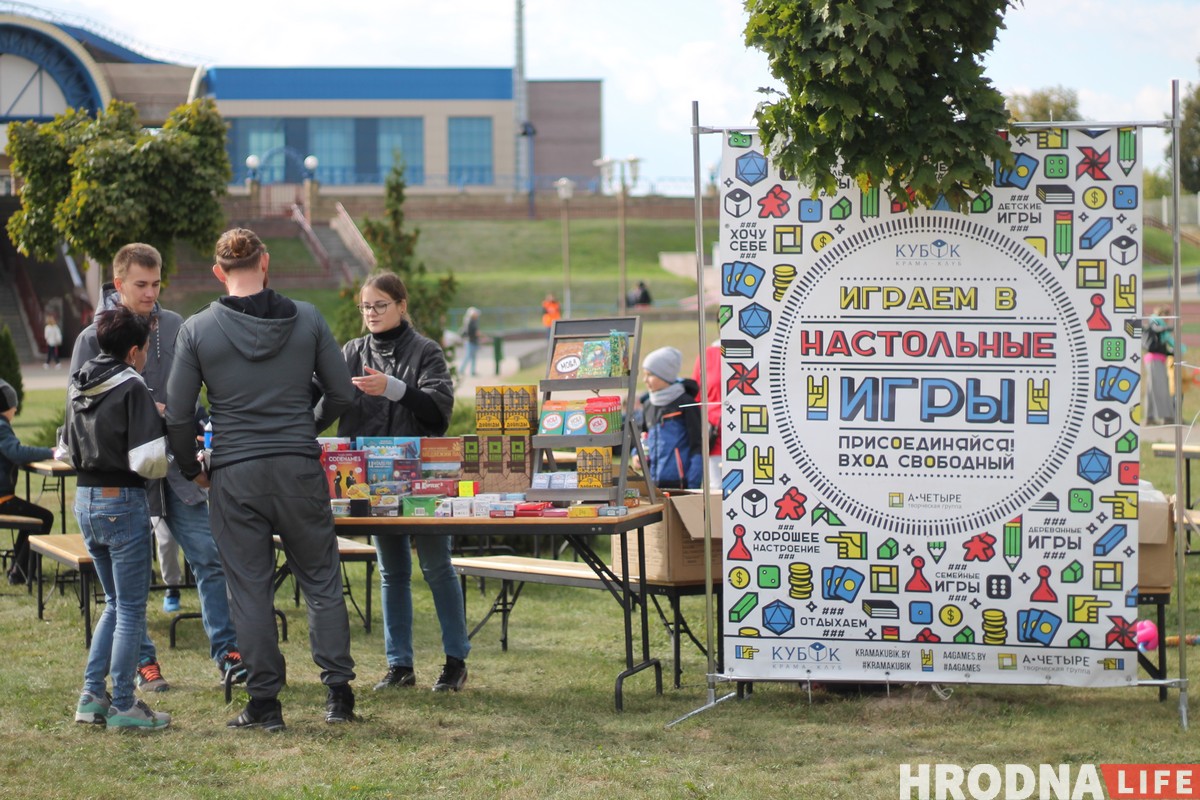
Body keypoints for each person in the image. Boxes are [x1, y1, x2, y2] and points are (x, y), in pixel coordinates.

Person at [166, 227, 357, 731]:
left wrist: (192, 469)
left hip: (235, 474)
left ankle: (266, 704)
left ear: (218, 272)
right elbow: (341, 393)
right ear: (265, 261)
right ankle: (339, 695)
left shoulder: (197, 329)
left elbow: (179, 416)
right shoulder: (308, 318)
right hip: (298, 468)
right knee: (321, 581)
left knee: (249, 590)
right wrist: (305, 427)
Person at [70, 242, 244, 693]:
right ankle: (144, 662)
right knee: (129, 584)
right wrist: (149, 409)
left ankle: (228, 653)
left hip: (178, 466)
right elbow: (79, 404)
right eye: (141, 285)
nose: (150, 293)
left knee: (208, 556)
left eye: (156, 283)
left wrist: (201, 424)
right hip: (124, 476)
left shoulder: (175, 325)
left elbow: (193, 394)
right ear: (119, 283)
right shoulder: (92, 337)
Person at [337, 273, 469, 693]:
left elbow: (437, 413)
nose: (371, 313)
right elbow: (325, 400)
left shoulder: (426, 351)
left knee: (436, 567)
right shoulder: (352, 352)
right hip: (372, 483)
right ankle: (399, 666)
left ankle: (455, 662)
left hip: (424, 480)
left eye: (380, 305)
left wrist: (393, 388)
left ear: (401, 306)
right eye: (366, 306)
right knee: (392, 572)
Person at [63, 305, 171, 730]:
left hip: (85, 498)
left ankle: (92, 696)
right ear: (132, 352)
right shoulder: (132, 385)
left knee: (113, 602)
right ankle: (124, 703)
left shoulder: (78, 382)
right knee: (129, 609)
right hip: (122, 500)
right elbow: (149, 461)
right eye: (144, 350)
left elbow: (65, 448)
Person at [0, 379, 54, 585]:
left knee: (31, 518)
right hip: (2, 499)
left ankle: (18, 567)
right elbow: (18, 453)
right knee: (45, 517)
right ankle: (21, 572)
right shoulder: (1, 427)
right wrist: (51, 452)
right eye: (14, 404)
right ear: (7, 407)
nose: (16, 409)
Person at [638, 346, 704, 490]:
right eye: (644, 374)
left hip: (681, 484)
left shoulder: (686, 403)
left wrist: (692, 486)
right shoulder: (648, 404)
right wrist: (637, 455)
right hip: (653, 484)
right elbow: (643, 437)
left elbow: (698, 447)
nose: (645, 380)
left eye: (650, 375)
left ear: (665, 376)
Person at [691, 341, 722, 486]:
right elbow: (696, 397)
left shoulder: (759, 351)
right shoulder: (708, 355)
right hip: (715, 437)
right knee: (718, 490)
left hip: (752, 434)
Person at [1143, 306, 1176, 426]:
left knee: (1152, 389)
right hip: (1155, 360)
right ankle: (1166, 417)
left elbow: (1160, 347)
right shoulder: (1155, 322)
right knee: (1160, 388)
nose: (1167, 319)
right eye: (1166, 315)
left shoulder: (1158, 327)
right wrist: (1172, 327)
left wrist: (1171, 353)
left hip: (1156, 359)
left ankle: (1150, 416)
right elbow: (1157, 329)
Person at [460, 306, 481, 377]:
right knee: (468, 356)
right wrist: (477, 334)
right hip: (470, 341)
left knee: (473, 357)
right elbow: (471, 332)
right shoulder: (469, 321)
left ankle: (472, 371)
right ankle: (461, 370)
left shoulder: (473, 321)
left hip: (473, 341)